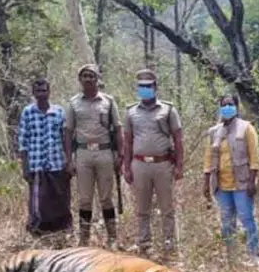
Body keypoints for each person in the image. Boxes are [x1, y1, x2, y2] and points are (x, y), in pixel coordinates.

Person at [123, 69, 185, 258]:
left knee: (167, 207)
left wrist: (180, 165)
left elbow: (178, 139)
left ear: (155, 87)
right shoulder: (131, 112)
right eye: (141, 86)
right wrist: (126, 167)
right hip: (139, 165)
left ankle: (169, 243)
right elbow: (127, 141)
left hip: (163, 164)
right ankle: (144, 243)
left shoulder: (168, 110)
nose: (145, 89)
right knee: (142, 208)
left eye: (148, 86)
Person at [64, 64, 124, 249]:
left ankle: (112, 237)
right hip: (83, 154)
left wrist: (120, 155)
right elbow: (67, 132)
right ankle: (84, 238)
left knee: (106, 197)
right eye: (84, 76)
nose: (88, 79)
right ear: (80, 80)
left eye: (92, 76)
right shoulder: (74, 103)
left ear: (97, 79)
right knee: (84, 198)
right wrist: (69, 159)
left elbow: (119, 128)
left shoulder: (108, 101)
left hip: (105, 152)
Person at [203, 95, 259, 264]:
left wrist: (252, 181)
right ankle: (232, 258)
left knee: (247, 219)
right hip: (222, 185)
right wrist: (206, 183)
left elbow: (255, 157)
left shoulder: (246, 128)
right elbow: (208, 159)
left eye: (230, 104)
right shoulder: (215, 131)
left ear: (237, 107)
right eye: (224, 105)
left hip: (242, 184)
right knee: (227, 222)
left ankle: (255, 255)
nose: (227, 107)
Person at [18, 78, 73, 245]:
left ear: (49, 92)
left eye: (44, 90)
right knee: (38, 202)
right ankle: (38, 235)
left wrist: (69, 161)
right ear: (33, 93)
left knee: (60, 199)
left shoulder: (58, 112)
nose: (41, 94)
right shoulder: (28, 112)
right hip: (36, 164)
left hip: (56, 162)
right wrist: (25, 166)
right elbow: (23, 141)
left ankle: (61, 232)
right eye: (38, 91)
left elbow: (65, 138)